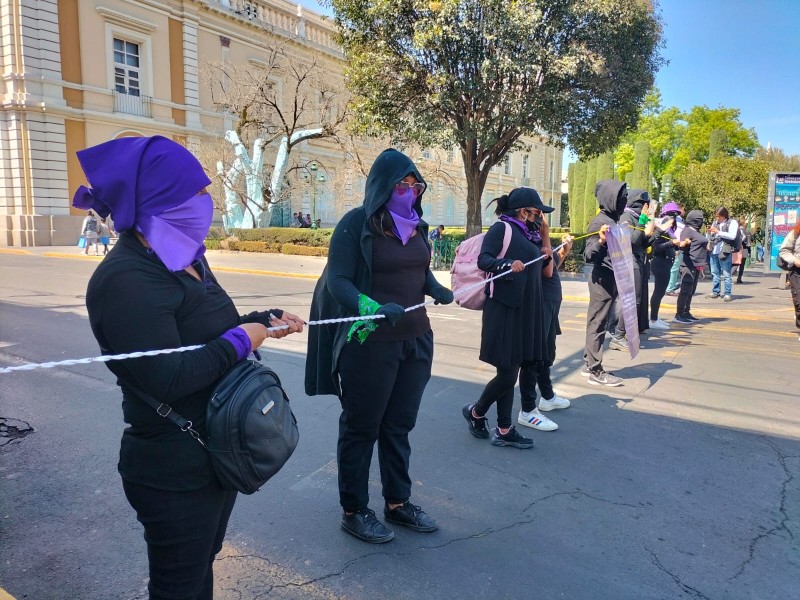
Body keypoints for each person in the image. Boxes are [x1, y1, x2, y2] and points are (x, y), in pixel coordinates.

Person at [75, 136, 304, 599]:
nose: (207, 203)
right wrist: (243, 340)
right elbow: (169, 377)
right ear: (157, 198)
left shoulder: (188, 257)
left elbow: (210, 331)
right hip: (171, 468)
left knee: (201, 565)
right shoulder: (124, 279)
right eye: (195, 193)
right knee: (178, 585)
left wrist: (260, 322)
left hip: (215, 451)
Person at [305, 148, 453, 544]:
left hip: (416, 341)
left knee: (399, 426)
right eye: (400, 184)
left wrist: (437, 288)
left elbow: (420, 272)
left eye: (413, 184)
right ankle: (353, 509)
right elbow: (338, 280)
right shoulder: (357, 224)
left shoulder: (416, 225)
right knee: (361, 427)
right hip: (370, 344)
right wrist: (369, 306)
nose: (407, 190)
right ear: (381, 186)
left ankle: (397, 503)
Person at [461, 187, 551, 447]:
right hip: (504, 309)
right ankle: (476, 412)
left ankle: (502, 429)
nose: (540, 218)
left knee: (511, 369)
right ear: (523, 211)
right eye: (537, 213)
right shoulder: (503, 229)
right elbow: (484, 260)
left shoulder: (530, 234)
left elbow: (543, 271)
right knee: (507, 374)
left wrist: (546, 246)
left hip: (526, 309)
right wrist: (507, 264)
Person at [518, 230, 573, 432]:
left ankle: (547, 396)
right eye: (539, 213)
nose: (543, 219)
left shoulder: (536, 239)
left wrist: (564, 251)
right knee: (534, 357)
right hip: (539, 305)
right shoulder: (529, 239)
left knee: (547, 354)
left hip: (549, 305)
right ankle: (528, 410)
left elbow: (551, 266)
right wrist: (546, 236)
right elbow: (546, 272)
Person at [581, 180, 628, 387]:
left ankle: (588, 362)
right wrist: (600, 241)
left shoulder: (614, 220)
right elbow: (588, 255)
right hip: (601, 281)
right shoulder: (600, 222)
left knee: (599, 322)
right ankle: (595, 370)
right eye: (620, 197)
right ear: (610, 199)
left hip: (612, 279)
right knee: (597, 324)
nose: (624, 200)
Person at [609, 189, 657, 350]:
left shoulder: (636, 217)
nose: (646, 208)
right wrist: (643, 221)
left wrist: (657, 230)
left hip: (637, 260)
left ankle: (624, 332)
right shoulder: (627, 217)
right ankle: (618, 335)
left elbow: (644, 243)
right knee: (630, 300)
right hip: (629, 261)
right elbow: (632, 241)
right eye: (645, 205)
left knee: (635, 300)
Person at [649, 202, 687, 328]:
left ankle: (655, 318)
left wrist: (674, 247)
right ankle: (653, 319)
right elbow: (657, 247)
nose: (673, 219)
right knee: (659, 292)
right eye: (672, 215)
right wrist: (672, 244)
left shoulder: (668, 228)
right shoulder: (662, 226)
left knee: (660, 292)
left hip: (665, 262)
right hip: (660, 262)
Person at [673, 209, 708, 324]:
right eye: (700, 219)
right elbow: (682, 246)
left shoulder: (695, 231)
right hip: (688, 264)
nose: (701, 221)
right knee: (685, 290)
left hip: (696, 265)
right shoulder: (687, 230)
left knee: (691, 290)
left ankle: (686, 312)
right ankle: (679, 314)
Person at [706, 207, 739, 302]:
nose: (717, 219)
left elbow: (732, 236)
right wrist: (709, 235)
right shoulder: (715, 223)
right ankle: (716, 291)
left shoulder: (732, 222)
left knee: (726, 273)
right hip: (714, 249)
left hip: (724, 250)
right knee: (714, 272)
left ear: (723, 215)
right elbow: (711, 236)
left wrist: (718, 232)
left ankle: (727, 293)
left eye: (718, 217)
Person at [778, 222, 800, 341]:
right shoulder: (796, 232)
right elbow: (784, 251)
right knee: (799, 302)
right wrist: (795, 260)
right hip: (797, 271)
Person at [664, 205, 686, 296]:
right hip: (675, 247)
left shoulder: (675, 222)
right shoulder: (677, 223)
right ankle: (670, 288)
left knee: (673, 269)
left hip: (675, 247)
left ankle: (670, 287)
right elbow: (675, 235)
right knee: (674, 269)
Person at [736, 218, 751, 284]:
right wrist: (749, 251)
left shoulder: (736, 230)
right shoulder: (747, 232)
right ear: (744, 223)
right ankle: (739, 278)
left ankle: (729, 276)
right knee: (742, 264)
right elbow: (749, 243)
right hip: (744, 249)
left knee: (735, 263)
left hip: (736, 249)